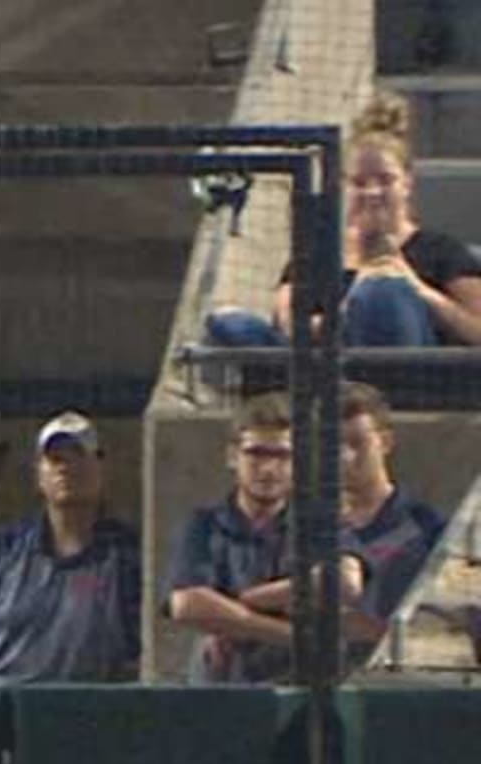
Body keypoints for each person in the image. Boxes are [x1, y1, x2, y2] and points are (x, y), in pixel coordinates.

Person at [239, 382, 450, 661]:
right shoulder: (289, 524)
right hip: (288, 676)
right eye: (331, 445)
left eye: (357, 443)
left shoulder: (426, 529)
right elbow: (234, 604)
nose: (345, 458)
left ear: (384, 442)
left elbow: (432, 628)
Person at [270, 94, 481, 348]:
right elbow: (290, 325)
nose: (372, 192)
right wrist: (351, 307)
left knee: (384, 290)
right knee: (232, 324)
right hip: (333, 370)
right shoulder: (316, 255)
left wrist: (417, 288)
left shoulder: (442, 251)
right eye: (359, 183)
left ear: (407, 182)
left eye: (385, 180)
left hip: (419, 373)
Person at [0, 412, 142, 686]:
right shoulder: (1, 549)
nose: (66, 468)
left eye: (78, 455)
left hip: (87, 713)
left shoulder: (128, 554)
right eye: (56, 459)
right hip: (3, 710)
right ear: (39, 474)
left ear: (100, 467)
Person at [164, 393, 298, 686]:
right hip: (223, 684)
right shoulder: (203, 525)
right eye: (256, 453)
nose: (268, 468)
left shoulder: (315, 531)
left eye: (281, 456)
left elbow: (328, 598)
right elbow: (187, 604)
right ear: (232, 457)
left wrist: (228, 616)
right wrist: (288, 634)